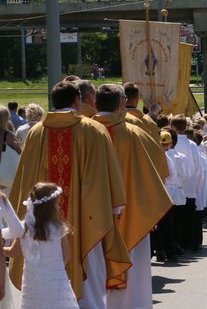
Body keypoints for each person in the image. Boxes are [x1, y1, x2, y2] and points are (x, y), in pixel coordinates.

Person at [8, 81, 129, 307]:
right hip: (87, 221)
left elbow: (26, 179)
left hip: (42, 221)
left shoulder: (36, 133)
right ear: (77, 101)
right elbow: (106, 178)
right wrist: (113, 210)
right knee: (91, 274)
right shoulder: (93, 130)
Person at [92, 84, 171, 309]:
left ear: (96, 103)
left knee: (96, 264)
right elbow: (159, 169)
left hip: (92, 216)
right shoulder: (135, 133)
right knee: (134, 269)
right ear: (121, 104)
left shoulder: (83, 131)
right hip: (130, 213)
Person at [4, 183, 78, 309]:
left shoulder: (25, 228)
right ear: (49, 208)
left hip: (34, 284)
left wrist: (2, 249)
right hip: (56, 282)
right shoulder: (58, 228)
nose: (59, 207)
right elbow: (67, 254)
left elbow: (13, 252)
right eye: (57, 204)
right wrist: (56, 270)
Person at [170, 115, 206, 251]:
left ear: (173, 127)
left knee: (176, 218)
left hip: (174, 187)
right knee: (190, 217)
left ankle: (177, 242)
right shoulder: (191, 145)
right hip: (190, 186)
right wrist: (198, 186)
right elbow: (198, 168)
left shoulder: (172, 144)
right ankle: (191, 241)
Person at [155, 130, 187, 262]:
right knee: (170, 224)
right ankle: (170, 250)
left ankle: (160, 249)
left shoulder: (158, 156)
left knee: (162, 224)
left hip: (162, 192)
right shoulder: (169, 157)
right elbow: (178, 175)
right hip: (171, 191)